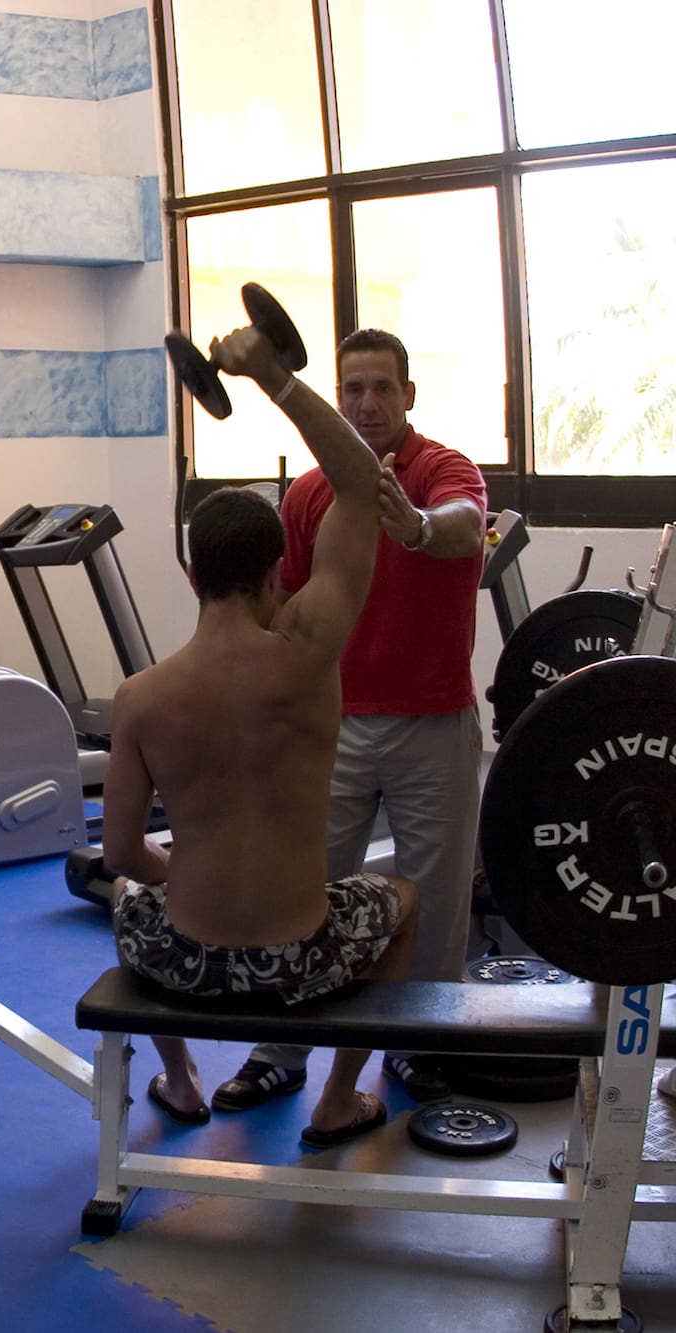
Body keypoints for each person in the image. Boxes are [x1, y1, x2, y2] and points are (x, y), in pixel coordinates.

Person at [101, 322, 420, 1147]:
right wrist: (274, 379)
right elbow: (360, 489)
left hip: (187, 962)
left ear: (190, 573)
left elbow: (123, 855)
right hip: (300, 960)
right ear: (280, 571)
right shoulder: (308, 653)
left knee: (128, 903)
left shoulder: (139, 698)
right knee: (404, 898)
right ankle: (338, 1097)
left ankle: (178, 1077)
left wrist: (186, 879)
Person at [214, 328, 487, 1114]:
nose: (367, 403)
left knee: (432, 899)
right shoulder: (308, 494)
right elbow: (286, 608)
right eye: (353, 390)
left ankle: (421, 1044)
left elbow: (465, 524)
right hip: (333, 722)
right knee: (305, 885)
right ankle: (282, 1050)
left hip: (433, 720)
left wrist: (416, 527)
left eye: (381, 388)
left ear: (409, 395)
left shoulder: (442, 470)